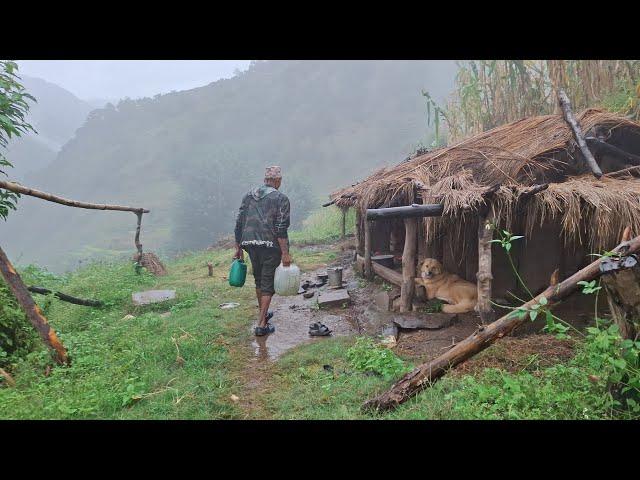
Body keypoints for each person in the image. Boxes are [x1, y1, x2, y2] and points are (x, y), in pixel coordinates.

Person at [234, 165, 291, 336]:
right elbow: (281, 228)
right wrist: (286, 253)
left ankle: (263, 314)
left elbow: (239, 222)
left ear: (265, 180)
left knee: (259, 280)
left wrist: (238, 247)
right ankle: (261, 325)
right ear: (278, 180)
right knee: (267, 283)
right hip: (269, 246)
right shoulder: (281, 198)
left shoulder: (248, 196)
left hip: (249, 244)